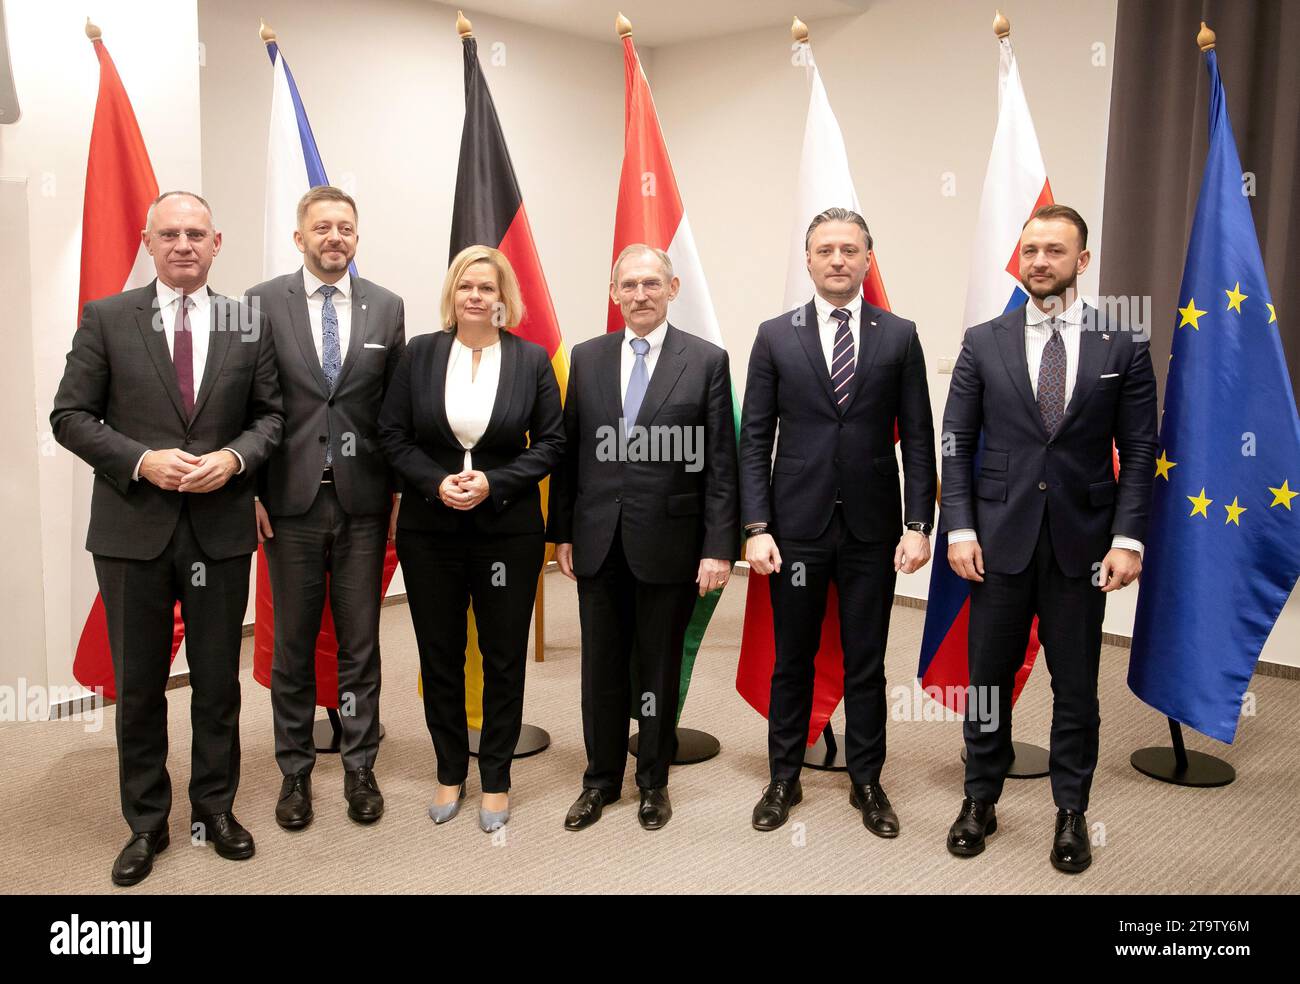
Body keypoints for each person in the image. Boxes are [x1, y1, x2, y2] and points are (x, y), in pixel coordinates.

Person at [51, 191, 283, 886]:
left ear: (217, 244)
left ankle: (215, 810)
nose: (183, 245)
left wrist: (235, 458)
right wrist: (140, 460)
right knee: (142, 686)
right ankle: (146, 823)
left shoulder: (248, 320)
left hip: (220, 529)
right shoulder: (107, 318)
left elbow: (272, 416)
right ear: (149, 244)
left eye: (196, 234)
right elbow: (69, 416)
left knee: (217, 683)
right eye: (169, 235)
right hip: (132, 530)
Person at [940, 204, 1157, 873]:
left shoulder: (1124, 343)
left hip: (1083, 544)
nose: (1039, 261)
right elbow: (957, 443)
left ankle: (1071, 812)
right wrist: (961, 527)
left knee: (1076, 687)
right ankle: (980, 798)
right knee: (986, 682)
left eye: (1055, 251)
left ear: (1082, 262)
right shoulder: (984, 340)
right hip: (997, 542)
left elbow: (1141, 450)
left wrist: (1128, 539)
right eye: (1030, 249)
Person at [741, 207, 936, 836]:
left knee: (865, 661)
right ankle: (783, 778)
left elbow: (921, 440)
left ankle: (868, 781)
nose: (837, 260)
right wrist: (756, 527)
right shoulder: (775, 335)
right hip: (794, 528)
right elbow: (755, 441)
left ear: (867, 259)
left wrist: (918, 524)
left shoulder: (899, 335)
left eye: (850, 250)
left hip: (872, 531)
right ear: (808, 259)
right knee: (791, 657)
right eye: (825, 250)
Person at [549, 243, 739, 832]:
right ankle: (600, 780)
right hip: (598, 539)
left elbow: (720, 466)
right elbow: (571, 453)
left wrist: (718, 546)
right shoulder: (587, 357)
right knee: (600, 667)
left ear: (673, 288)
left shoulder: (706, 360)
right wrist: (562, 534)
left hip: (672, 543)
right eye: (628, 285)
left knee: (657, 667)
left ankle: (653, 781)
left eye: (651, 284)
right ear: (614, 293)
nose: (639, 295)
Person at [378, 245, 563, 832]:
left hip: (506, 530)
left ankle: (498, 779)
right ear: (452, 295)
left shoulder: (531, 360)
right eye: (466, 287)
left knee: (504, 655)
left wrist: (494, 482)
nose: (476, 296)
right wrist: (435, 483)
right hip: (431, 531)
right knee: (440, 655)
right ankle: (449, 769)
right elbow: (391, 435)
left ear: (504, 297)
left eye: (487, 287)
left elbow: (552, 443)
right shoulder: (420, 354)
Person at [245, 186, 405, 830]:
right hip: (289, 502)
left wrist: (396, 492)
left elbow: (394, 411)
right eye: (322, 227)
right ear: (299, 237)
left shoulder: (386, 307)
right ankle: (294, 773)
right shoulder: (260, 304)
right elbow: (247, 404)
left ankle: (361, 764)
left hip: (365, 501)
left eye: (345, 227)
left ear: (357, 238)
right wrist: (252, 490)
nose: (333, 237)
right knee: (293, 642)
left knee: (361, 640)